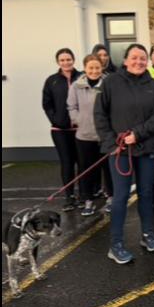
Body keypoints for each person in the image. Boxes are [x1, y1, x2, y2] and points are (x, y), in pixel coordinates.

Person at [94, 44, 154, 264]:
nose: (138, 62)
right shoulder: (110, 83)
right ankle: (116, 244)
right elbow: (100, 115)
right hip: (120, 151)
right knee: (121, 197)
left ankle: (147, 235)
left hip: (146, 149)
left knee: (147, 194)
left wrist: (138, 134)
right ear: (125, 60)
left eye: (142, 58)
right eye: (134, 58)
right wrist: (111, 143)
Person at [67, 55, 113, 216]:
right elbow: (71, 106)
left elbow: (114, 106)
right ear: (85, 68)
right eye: (91, 68)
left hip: (105, 136)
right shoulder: (76, 86)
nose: (94, 71)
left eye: (97, 68)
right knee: (86, 170)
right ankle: (88, 200)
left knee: (109, 169)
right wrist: (77, 119)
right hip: (84, 136)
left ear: (102, 68)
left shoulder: (109, 84)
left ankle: (111, 198)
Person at [42, 48, 82, 211]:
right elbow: (47, 104)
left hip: (80, 129)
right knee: (67, 163)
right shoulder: (52, 80)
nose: (66, 62)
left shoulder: (82, 77)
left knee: (82, 163)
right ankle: (69, 196)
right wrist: (56, 119)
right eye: (62, 60)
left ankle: (85, 195)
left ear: (73, 60)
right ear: (58, 62)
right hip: (60, 130)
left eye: (68, 59)